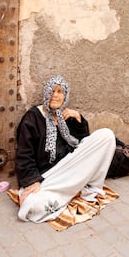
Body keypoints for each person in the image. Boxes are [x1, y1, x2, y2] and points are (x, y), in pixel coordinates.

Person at [15, 75, 116, 223]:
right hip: (49, 176)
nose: (55, 95)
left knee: (107, 135)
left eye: (60, 92)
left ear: (65, 96)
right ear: (46, 93)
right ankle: (73, 188)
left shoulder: (66, 116)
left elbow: (84, 143)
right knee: (32, 206)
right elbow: (24, 155)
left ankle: (90, 188)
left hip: (71, 166)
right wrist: (32, 181)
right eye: (52, 91)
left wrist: (78, 118)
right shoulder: (32, 119)